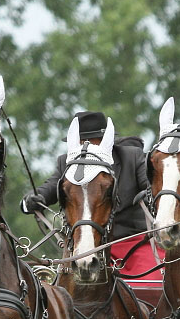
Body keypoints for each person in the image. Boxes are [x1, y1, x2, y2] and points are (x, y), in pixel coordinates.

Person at [21, 111, 157, 280]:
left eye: (89, 141)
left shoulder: (131, 157)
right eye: (80, 142)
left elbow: (153, 188)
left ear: (103, 141)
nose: (84, 146)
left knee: (152, 284)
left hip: (133, 243)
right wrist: (31, 200)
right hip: (82, 244)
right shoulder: (66, 161)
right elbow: (49, 187)